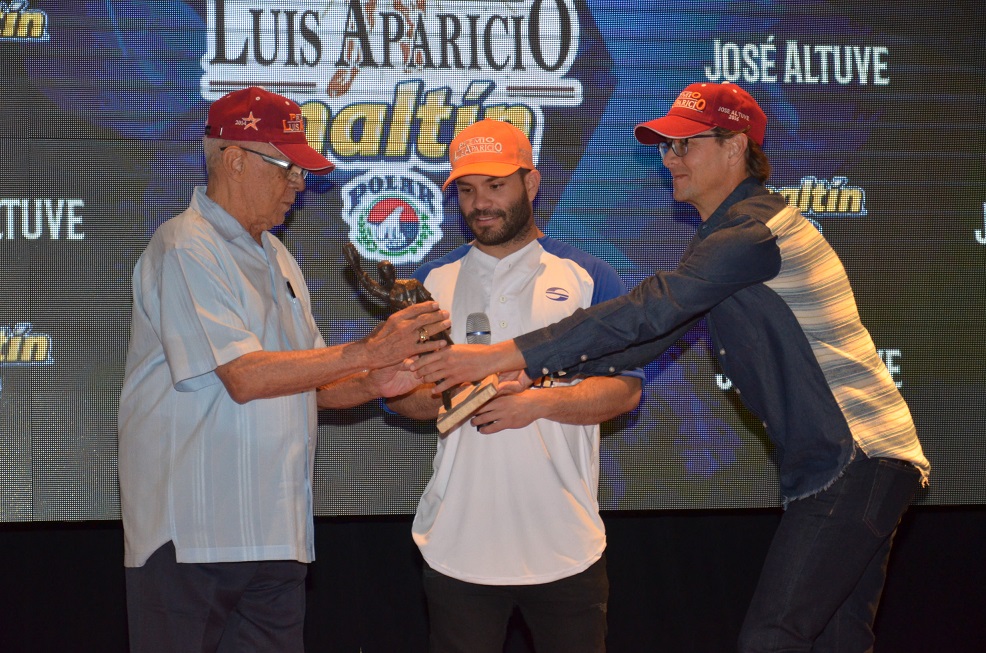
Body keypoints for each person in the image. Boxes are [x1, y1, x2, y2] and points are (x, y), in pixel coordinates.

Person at [411, 83, 931, 652]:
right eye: (666, 147)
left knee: (773, 638)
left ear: (735, 148)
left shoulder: (753, 232)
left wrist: (499, 356)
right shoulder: (727, 238)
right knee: (836, 641)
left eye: (683, 145)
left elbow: (648, 310)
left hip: (856, 457)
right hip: (851, 461)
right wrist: (529, 372)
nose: (668, 159)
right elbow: (651, 338)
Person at [117, 85, 450, 653]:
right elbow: (244, 376)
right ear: (236, 159)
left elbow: (312, 381)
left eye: (302, 171)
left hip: (277, 534)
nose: (299, 184)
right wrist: (367, 352)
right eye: (288, 168)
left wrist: (375, 382)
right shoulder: (184, 245)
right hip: (195, 537)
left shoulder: (278, 256)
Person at [386, 118, 643, 653]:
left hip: (566, 542)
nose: (480, 202)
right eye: (467, 189)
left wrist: (536, 404)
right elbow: (407, 400)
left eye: (496, 185)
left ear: (531, 183)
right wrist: (424, 389)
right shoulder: (431, 284)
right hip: (458, 543)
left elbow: (624, 392)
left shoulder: (590, 276)